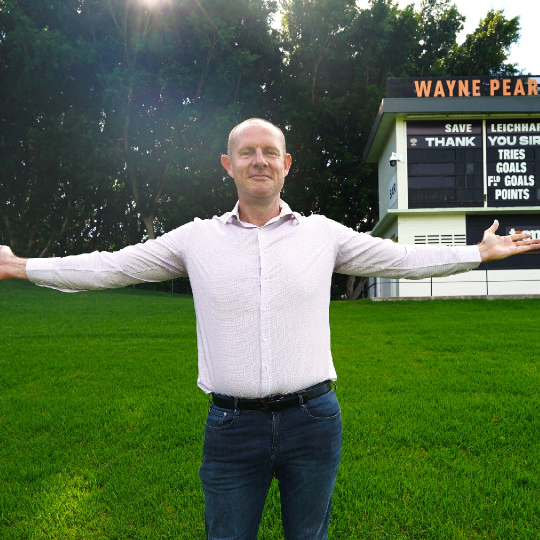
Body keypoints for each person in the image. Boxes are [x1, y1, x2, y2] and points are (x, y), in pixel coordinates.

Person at [1, 118, 539, 540]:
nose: (258, 160)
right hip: (231, 428)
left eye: (269, 152)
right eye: (246, 152)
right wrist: (20, 266)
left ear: (286, 165)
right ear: (227, 165)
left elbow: (400, 259)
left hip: (314, 421)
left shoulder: (323, 235)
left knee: (310, 535)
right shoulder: (195, 239)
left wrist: (476, 253)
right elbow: (111, 266)